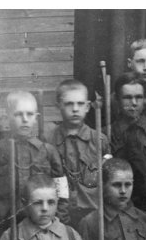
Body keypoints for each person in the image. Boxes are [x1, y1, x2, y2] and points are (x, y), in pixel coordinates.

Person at [0, 91, 68, 236]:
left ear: (36, 118)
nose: (24, 119)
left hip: (42, 225)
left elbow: (62, 191)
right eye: (18, 114)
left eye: (29, 114)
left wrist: (60, 220)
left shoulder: (48, 151)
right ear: (8, 116)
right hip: (7, 226)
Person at [44, 79, 112, 230]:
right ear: (58, 106)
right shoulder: (49, 140)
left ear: (87, 106)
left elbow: (108, 182)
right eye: (69, 104)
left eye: (80, 104)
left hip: (93, 218)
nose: (75, 109)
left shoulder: (99, 141)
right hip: (59, 218)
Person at [113, 72, 146, 213]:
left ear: (145, 100)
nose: (134, 103)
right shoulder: (106, 134)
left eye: (138, 97)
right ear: (117, 100)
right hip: (117, 208)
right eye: (127, 98)